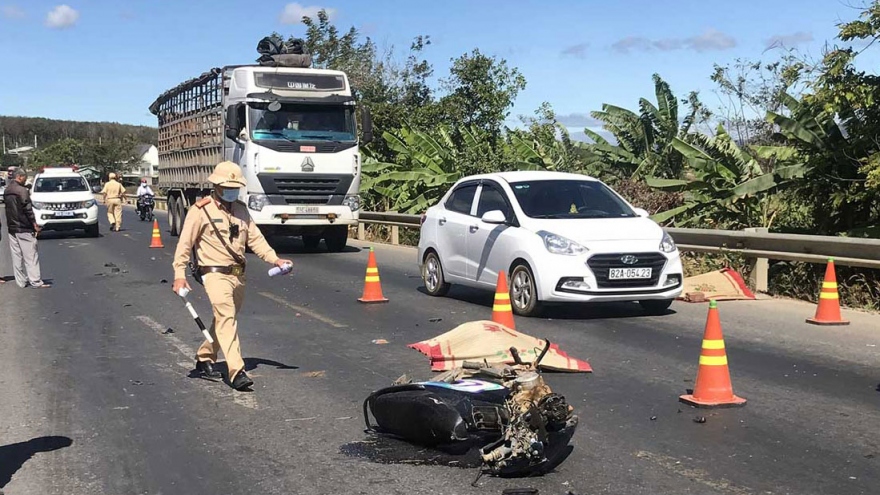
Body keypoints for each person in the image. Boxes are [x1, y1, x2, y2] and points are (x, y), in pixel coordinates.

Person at [171, 161, 292, 390]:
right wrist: (179, 274)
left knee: (223, 320)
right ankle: (237, 371)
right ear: (216, 185)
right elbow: (185, 245)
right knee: (226, 317)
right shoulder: (201, 210)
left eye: (235, 186)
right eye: (228, 186)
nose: (232, 190)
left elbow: (256, 239)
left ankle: (204, 357)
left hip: (238, 275)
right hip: (213, 274)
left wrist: (275, 259)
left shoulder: (241, 210)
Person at [3, 168, 50, 289]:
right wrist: (34, 224)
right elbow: (28, 209)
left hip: (12, 228)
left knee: (16, 256)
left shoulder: (7, 190)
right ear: (19, 177)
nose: (25, 180)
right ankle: (35, 281)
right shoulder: (22, 191)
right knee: (31, 255)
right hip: (23, 227)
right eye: (24, 177)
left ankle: (21, 281)